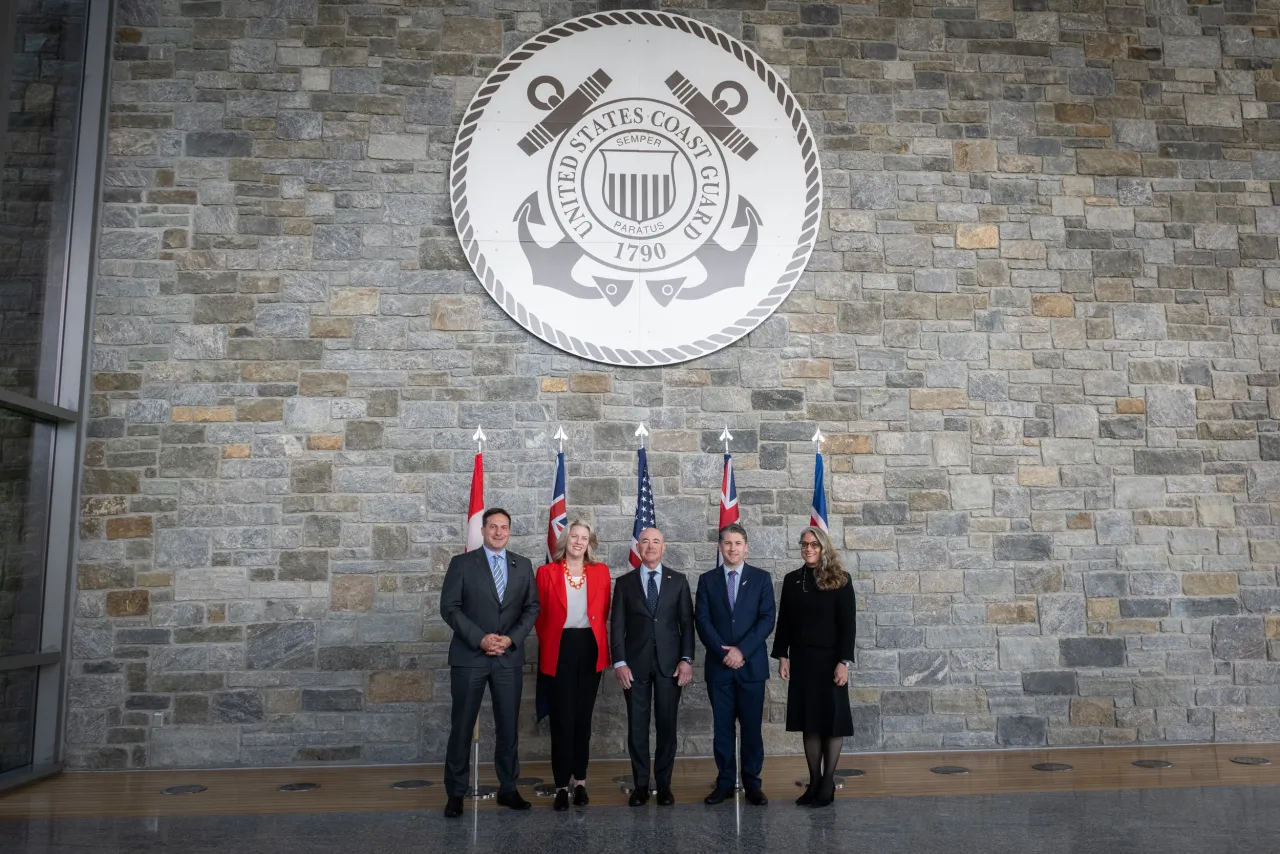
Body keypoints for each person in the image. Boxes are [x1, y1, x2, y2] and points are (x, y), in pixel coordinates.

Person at [439, 508, 539, 818]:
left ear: (510, 531)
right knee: (462, 726)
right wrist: (480, 639)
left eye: (504, 527)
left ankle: (508, 788)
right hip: (470, 656)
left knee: (508, 727)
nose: (498, 532)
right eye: (493, 527)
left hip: (507, 658)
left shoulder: (522, 566)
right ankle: (456, 793)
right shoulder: (463, 564)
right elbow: (450, 608)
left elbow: (532, 608)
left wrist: (510, 639)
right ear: (482, 530)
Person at [609, 527, 695, 807]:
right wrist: (619, 662)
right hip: (634, 667)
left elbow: (687, 625)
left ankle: (665, 784)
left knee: (667, 727)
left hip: (670, 667)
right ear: (638, 547)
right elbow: (617, 626)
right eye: (645, 541)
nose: (650, 546)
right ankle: (641, 785)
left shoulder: (679, 581)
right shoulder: (624, 583)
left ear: (663, 547)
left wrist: (687, 660)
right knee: (637, 727)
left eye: (655, 541)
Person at [772, 525, 856, 808]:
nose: (808, 549)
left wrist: (843, 662)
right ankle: (814, 781)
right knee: (809, 723)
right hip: (803, 660)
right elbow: (784, 622)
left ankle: (828, 781)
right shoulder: (793, 580)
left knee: (831, 724)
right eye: (804, 544)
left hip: (831, 661)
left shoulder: (841, 580)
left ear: (823, 548)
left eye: (814, 545)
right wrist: (782, 655)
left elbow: (848, 626)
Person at [695, 522, 776, 806]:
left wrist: (741, 651)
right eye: (727, 544)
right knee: (723, 729)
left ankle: (753, 783)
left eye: (738, 544)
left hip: (751, 667)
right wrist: (723, 652)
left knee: (752, 729)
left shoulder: (761, 579)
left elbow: (767, 619)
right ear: (720, 547)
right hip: (719, 669)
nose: (732, 548)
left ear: (746, 548)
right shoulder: (707, 580)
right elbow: (702, 621)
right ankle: (725, 782)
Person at [533, 519, 611, 811]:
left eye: (584, 538)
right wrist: (554, 641)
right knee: (562, 720)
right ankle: (561, 785)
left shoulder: (601, 572)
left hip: (590, 648)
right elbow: (539, 616)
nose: (578, 541)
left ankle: (581, 782)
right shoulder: (545, 573)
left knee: (583, 719)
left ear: (590, 544)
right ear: (564, 540)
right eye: (574, 536)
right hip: (559, 649)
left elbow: (603, 612)